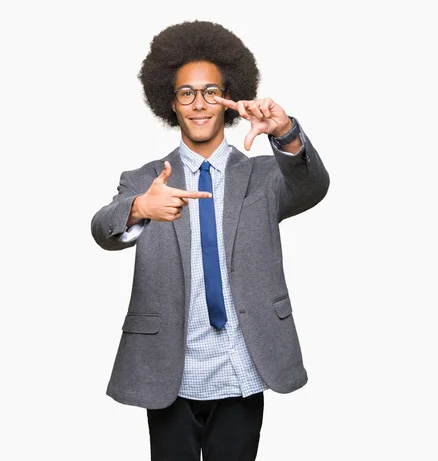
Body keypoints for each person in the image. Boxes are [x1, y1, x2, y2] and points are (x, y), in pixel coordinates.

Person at [90, 20, 329, 461]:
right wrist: (141, 207)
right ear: (172, 103)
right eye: (187, 93)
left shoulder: (263, 177)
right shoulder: (146, 179)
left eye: (211, 92)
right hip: (170, 372)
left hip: (243, 367)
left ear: (228, 100)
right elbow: (103, 228)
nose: (199, 104)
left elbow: (312, 186)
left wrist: (286, 132)